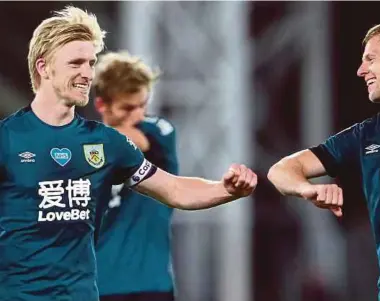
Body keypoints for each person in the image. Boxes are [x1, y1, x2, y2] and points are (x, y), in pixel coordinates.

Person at [0, 6, 257, 301]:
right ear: (43, 68)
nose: (86, 73)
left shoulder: (106, 144)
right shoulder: (8, 139)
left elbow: (174, 188)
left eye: (90, 62)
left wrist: (226, 189)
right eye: (75, 63)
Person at [267, 16, 380, 300]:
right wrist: (308, 188)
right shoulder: (364, 136)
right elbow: (281, 170)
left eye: (371, 59)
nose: (361, 70)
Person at [92, 51, 179, 301]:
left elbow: (134, 140)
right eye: (128, 108)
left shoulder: (159, 131)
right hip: (98, 287)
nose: (138, 115)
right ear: (101, 105)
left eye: (143, 105)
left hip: (151, 285)